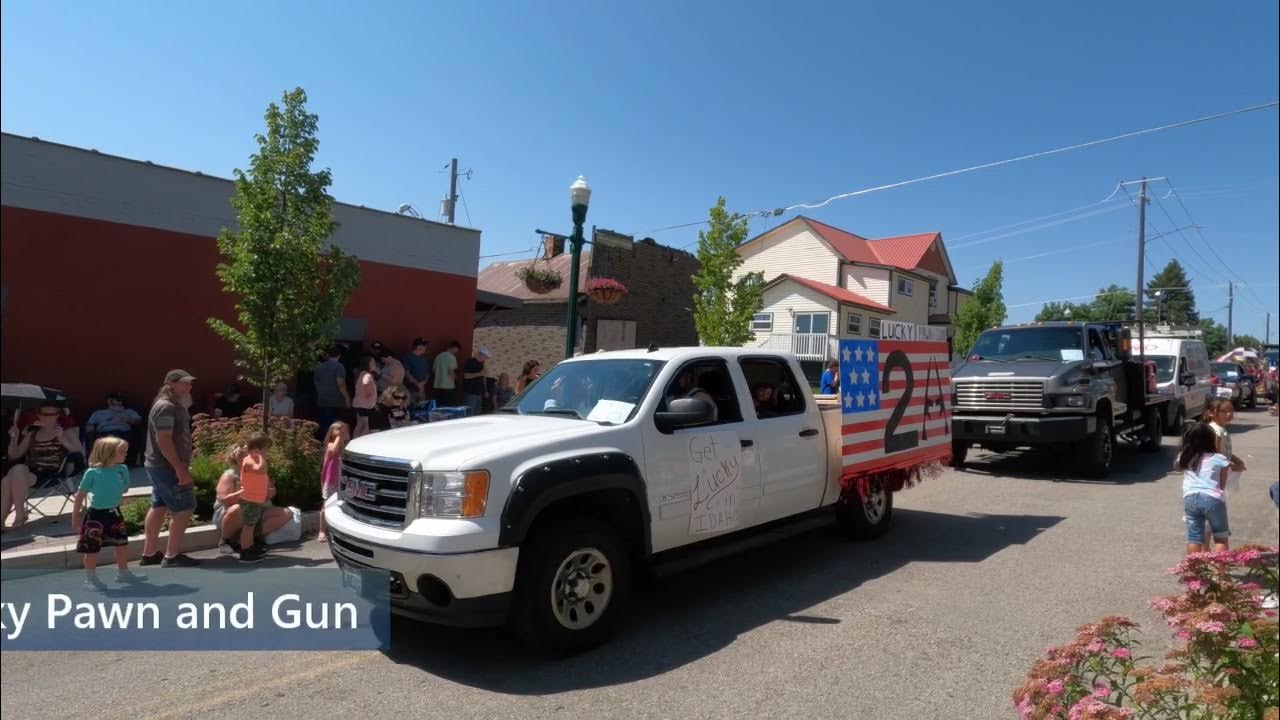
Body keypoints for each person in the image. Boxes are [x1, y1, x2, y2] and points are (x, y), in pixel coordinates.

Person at [141, 369, 201, 567]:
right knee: (185, 507)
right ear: (171, 384)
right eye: (184, 383)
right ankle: (172, 556)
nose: (188, 387)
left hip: (159, 465)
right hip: (166, 466)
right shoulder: (166, 407)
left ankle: (149, 554)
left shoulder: (172, 405)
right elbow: (163, 439)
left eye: (190, 383)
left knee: (159, 506)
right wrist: (179, 469)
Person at [72, 437, 143, 589]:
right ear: (109, 453)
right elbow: (80, 495)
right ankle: (91, 579)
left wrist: (119, 482)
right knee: (91, 548)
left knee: (121, 544)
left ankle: (123, 572)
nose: (125, 454)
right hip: (96, 515)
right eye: (121, 451)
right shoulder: (93, 473)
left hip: (114, 513)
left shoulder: (122, 469)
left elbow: (124, 488)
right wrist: (75, 517)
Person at [2, 402, 85, 531]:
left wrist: (61, 438)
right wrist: (14, 437)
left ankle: (19, 516)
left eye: (54, 414)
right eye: (45, 414)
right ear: (38, 415)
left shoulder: (66, 431)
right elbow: (14, 455)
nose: (49, 417)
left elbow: (80, 454)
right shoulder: (32, 433)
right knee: (10, 477)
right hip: (32, 473)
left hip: (54, 473)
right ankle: (5, 520)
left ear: (58, 415)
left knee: (13, 475)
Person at [214, 444, 289, 558]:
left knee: (285, 513)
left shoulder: (259, 473)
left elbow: (272, 491)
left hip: (256, 509)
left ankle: (246, 540)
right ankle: (226, 540)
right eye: (242, 455)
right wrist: (243, 493)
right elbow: (223, 499)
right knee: (239, 509)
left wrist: (265, 492)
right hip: (230, 512)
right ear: (235, 458)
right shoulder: (229, 475)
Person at [1177, 423, 1232, 554]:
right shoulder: (1219, 458)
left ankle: (1194, 571)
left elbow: (1178, 466)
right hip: (1212, 498)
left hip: (1190, 498)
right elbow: (1222, 484)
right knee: (1220, 538)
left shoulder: (1184, 457)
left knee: (1194, 538)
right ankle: (1220, 573)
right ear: (1211, 439)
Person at [85, 393, 143, 465]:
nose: (120, 402)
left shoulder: (128, 412)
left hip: (122, 432)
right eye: (117, 399)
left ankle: (126, 462)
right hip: (104, 433)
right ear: (109, 401)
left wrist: (123, 419)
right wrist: (90, 428)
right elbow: (89, 424)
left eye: (121, 400)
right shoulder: (99, 413)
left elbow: (138, 420)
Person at [317, 422, 349, 543]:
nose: (342, 432)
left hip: (342, 480)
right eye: (339, 430)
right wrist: (338, 437)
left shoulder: (346, 447)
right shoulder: (330, 444)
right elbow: (333, 450)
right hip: (330, 480)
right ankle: (321, 530)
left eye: (344, 430)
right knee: (326, 505)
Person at [313, 345, 351, 432]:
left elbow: (316, 382)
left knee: (322, 424)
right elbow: (340, 383)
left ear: (328, 355)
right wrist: (346, 397)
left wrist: (321, 392)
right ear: (339, 355)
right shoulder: (339, 367)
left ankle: (321, 443)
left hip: (322, 399)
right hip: (335, 401)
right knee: (334, 425)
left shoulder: (320, 367)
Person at [352, 355, 379, 437]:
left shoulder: (361, 373)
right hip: (366, 405)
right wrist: (369, 393)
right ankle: (360, 443)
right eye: (372, 362)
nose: (374, 364)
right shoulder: (367, 375)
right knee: (366, 426)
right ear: (367, 364)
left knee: (359, 424)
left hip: (359, 404)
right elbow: (365, 382)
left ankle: (353, 441)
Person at [462, 347, 491, 416]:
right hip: (470, 393)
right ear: (481, 355)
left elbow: (483, 377)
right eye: (486, 357)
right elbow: (466, 376)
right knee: (470, 414)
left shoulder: (481, 364)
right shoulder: (470, 362)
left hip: (478, 393)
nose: (486, 359)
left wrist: (485, 390)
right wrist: (479, 373)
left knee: (476, 414)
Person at [402, 338, 431, 402]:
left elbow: (427, 373)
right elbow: (407, 373)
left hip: (422, 390)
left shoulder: (425, 358)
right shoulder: (408, 357)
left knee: (422, 409)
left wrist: (422, 384)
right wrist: (417, 384)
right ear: (418, 346)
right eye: (424, 345)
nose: (425, 347)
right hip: (410, 390)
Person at [433, 340, 462, 406]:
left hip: (437, 385)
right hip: (448, 386)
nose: (457, 351)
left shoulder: (438, 356)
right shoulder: (452, 357)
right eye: (457, 349)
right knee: (448, 407)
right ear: (454, 348)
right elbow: (451, 371)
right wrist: (456, 379)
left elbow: (434, 370)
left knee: (439, 406)